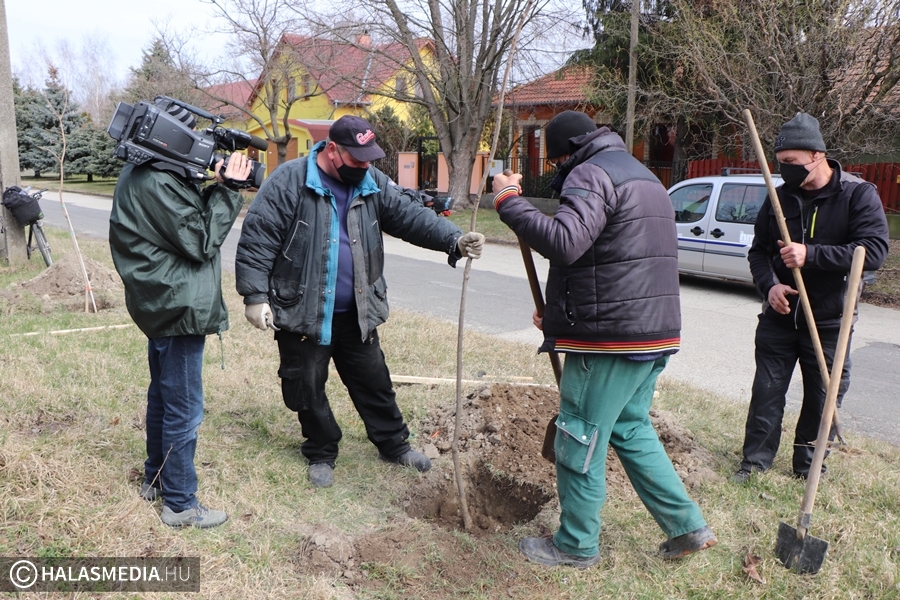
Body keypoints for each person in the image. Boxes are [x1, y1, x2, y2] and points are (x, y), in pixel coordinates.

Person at [491, 110, 716, 568]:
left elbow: (567, 241)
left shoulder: (590, 173)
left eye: (555, 164)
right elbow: (616, 257)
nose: (558, 173)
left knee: (580, 437)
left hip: (610, 342)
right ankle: (688, 526)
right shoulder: (643, 175)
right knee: (631, 428)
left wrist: (509, 200)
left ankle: (575, 546)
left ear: (568, 153)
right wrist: (560, 315)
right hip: (653, 332)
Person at [234, 115, 484, 488]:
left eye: (369, 159)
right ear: (332, 149)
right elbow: (258, 240)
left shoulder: (371, 182)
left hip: (356, 312)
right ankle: (321, 450)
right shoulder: (288, 181)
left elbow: (410, 215)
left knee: (374, 381)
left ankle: (393, 444)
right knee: (307, 386)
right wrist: (254, 296)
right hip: (303, 311)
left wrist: (454, 240)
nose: (364, 166)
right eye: (357, 158)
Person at [109, 99, 251, 528]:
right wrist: (229, 189)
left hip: (161, 301)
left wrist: (214, 182)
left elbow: (183, 222)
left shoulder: (147, 172)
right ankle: (180, 504)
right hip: (177, 304)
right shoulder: (156, 181)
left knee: (164, 396)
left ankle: (156, 478)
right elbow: (201, 239)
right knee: (184, 407)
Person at [734, 112, 889, 483]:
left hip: (830, 319)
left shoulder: (856, 195)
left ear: (817, 156)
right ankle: (754, 463)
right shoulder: (779, 197)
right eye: (781, 163)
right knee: (767, 392)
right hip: (780, 319)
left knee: (822, 396)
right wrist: (769, 285)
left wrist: (811, 254)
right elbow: (758, 252)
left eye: (792, 162)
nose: (785, 170)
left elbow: (874, 250)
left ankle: (808, 467)